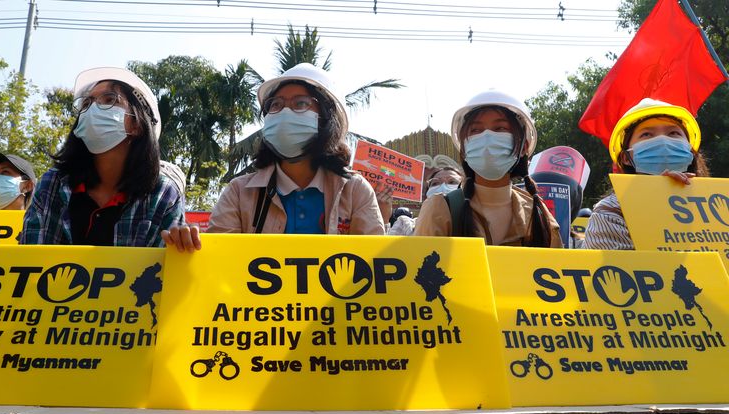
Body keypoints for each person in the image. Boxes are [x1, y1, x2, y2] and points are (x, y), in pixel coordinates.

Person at [163, 63, 384, 251]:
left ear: (326, 118)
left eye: (300, 103)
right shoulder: (239, 193)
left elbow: (375, 266)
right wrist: (189, 247)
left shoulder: (355, 191)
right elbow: (220, 262)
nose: (285, 112)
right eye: (275, 105)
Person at [20, 67, 184, 247]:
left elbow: (164, 268)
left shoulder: (162, 193)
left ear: (136, 124)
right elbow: (33, 262)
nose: (92, 109)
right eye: (86, 103)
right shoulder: (53, 184)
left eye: (109, 100)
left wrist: (182, 244)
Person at [414, 89, 562, 247]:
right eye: (475, 130)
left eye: (500, 128)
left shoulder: (537, 214)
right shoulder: (441, 209)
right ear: (464, 149)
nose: (486, 137)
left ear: (523, 146)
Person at [584, 98, 709, 250]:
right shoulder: (611, 212)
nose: (663, 140)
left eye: (674, 132)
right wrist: (656, 201)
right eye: (647, 135)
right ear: (626, 158)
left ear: (690, 151)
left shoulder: (718, 204)